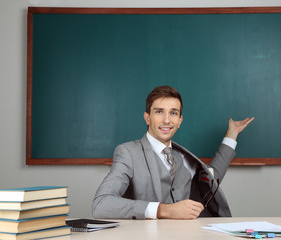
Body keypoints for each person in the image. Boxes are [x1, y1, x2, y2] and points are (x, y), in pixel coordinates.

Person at [92, 86, 254, 220]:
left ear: (180, 121)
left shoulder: (183, 157)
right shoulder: (128, 152)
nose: (167, 120)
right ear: (147, 118)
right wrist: (163, 210)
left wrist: (231, 135)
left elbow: (211, 177)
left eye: (173, 113)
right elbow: (101, 204)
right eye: (159, 112)